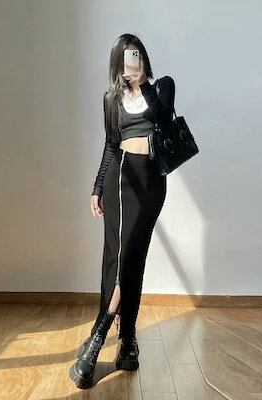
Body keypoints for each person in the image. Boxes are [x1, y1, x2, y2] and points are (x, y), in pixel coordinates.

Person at [69, 33, 175, 389]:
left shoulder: (162, 87)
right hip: (119, 178)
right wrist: (97, 186)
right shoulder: (111, 99)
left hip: (151, 182)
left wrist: (142, 82)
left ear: (144, 57)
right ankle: (126, 341)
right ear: (118, 61)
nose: (134, 59)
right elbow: (111, 145)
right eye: (128, 56)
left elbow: (162, 120)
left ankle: (100, 336)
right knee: (116, 259)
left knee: (132, 257)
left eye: (138, 54)